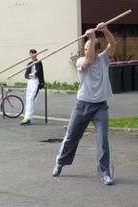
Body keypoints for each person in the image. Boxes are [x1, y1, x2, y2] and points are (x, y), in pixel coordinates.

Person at [52, 22, 117, 185]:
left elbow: (113, 43)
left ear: (97, 51)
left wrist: (106, 30)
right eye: (85, 48)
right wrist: (92, 38)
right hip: (82, 105)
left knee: (103, 140)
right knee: (71, 137)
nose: (86, 50)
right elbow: (88, 61)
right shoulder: (81, 61)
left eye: (89, 48)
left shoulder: (103, 59)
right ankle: (60, 162)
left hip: (100, 106)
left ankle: (105, 173)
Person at [20, 49, 44, 125]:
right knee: (28, 99)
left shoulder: (39, 62)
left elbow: (39, 72)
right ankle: (26, 117)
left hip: (36, 82)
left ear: (36, 54)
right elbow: (26, 75)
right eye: (31, 54)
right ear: (30, 55)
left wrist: (35, 74)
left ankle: (28, 118)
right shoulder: (29, 63)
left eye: (34, 54)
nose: (33, 55)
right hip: (30, 82)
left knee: (31, 99)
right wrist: (30, 75)